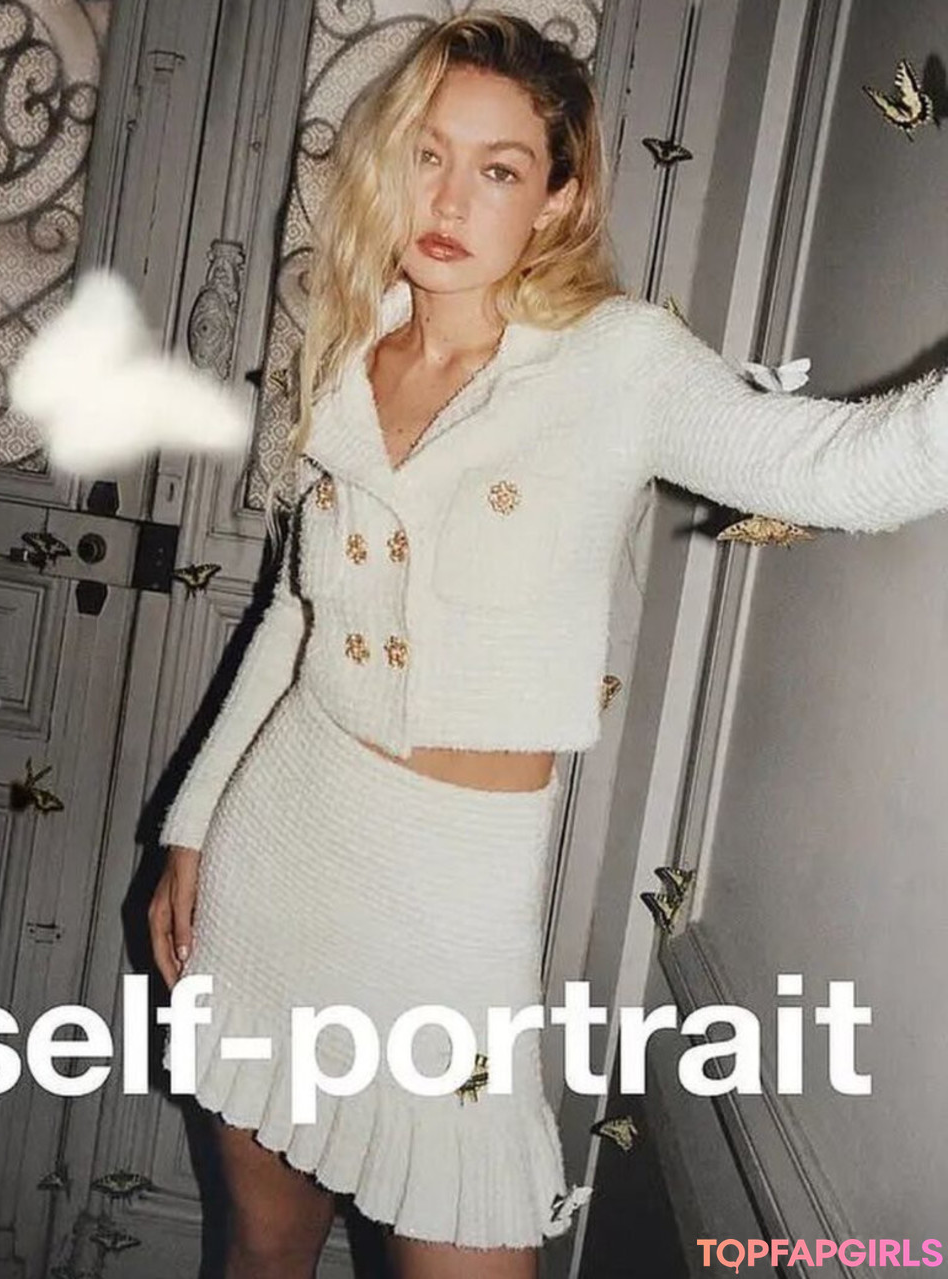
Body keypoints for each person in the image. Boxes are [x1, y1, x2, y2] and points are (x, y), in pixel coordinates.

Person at [144, 11, 948, 1279]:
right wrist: (193, 824)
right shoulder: (350, 343)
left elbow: (842, 467)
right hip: (279, 861)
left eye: (500, 168)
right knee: (263, 1246)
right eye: (429, 153)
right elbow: (298, 611)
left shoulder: (615, 363)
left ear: (559, 198)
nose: (450, 198)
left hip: (452, 907)